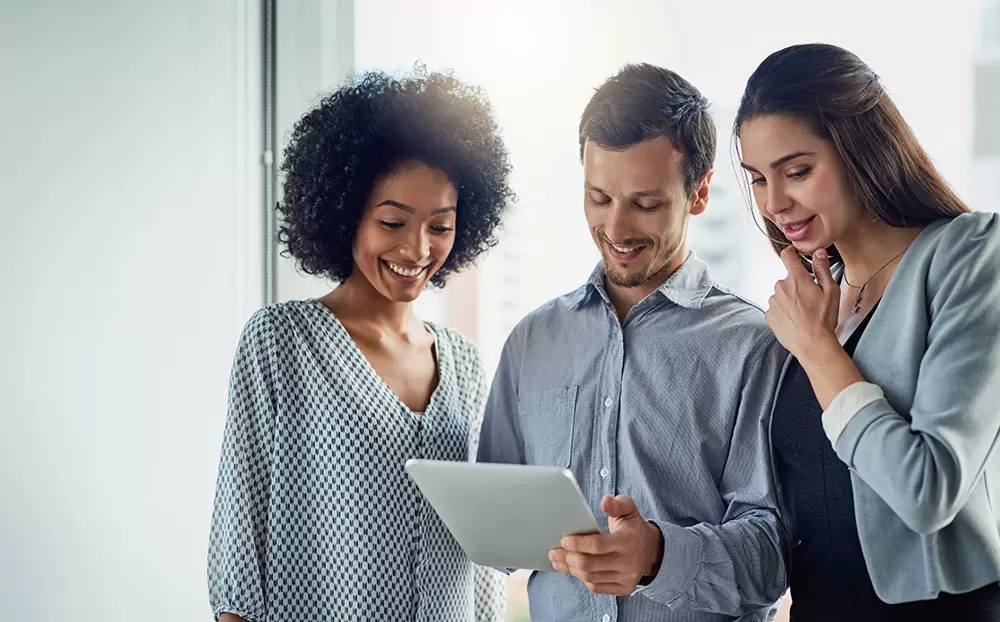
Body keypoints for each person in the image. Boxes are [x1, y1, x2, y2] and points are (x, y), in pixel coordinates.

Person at [477, 63, 789, 622]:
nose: (616, 229)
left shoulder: (755, 345)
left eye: (646, 204)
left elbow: (775, 555)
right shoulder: (532, 341)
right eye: (599, 198)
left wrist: (658, 556)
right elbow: (498, 533)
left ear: (698, 194)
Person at [207, 68, 515, 622]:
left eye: (439, 227)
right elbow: (239, 539)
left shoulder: (465, 363)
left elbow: (482, 558)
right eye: (393, 221)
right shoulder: (281, 343)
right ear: (346, 213)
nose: (417, 249)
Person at [735, 42, 1000, 621]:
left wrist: (817, 350)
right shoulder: (815, 298)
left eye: (797, 171)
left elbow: (927, 491)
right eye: (757, 179)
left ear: (861, 148)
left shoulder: (970, 255)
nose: (776, 202)